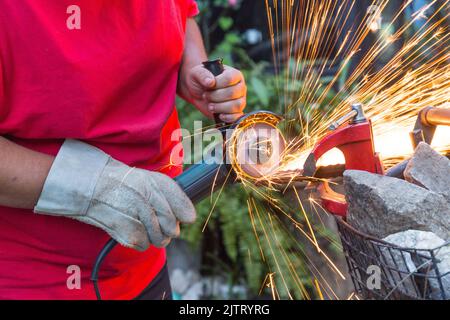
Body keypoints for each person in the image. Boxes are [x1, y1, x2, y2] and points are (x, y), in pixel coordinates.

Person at [0, 0, 247, 300]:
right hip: (30, 283)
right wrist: (95, 188)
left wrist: (193, 71)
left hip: (143, 272)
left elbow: (180, 13)